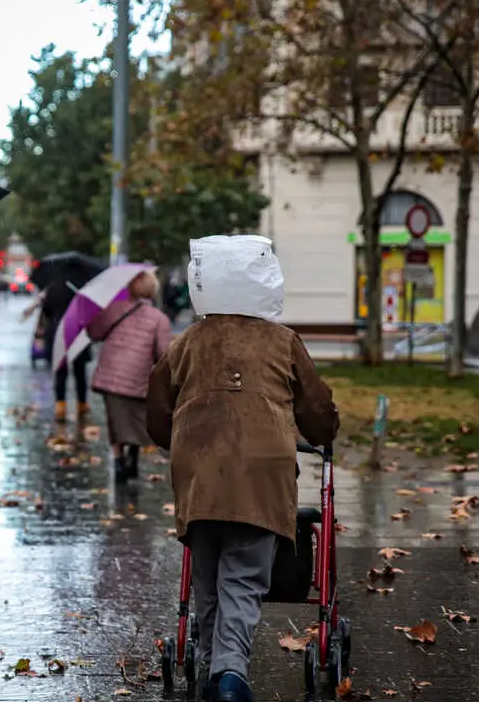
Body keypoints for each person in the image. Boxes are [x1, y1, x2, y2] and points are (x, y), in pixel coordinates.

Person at [146, 287, 339, 702]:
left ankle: (215, 671)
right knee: (243, 579)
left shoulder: (188, 341)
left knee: (209, 580)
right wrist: (325, 432)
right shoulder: (282, 340)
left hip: (199, 472)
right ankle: (230, 672)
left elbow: (157, 406)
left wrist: (175, 438)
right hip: (260, 475)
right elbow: (318, 414)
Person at [86, 270, 172, 480]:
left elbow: (94, 333)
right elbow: (163, 353)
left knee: (115, 420)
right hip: (139, 377)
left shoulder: (113, 310)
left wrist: (95, 315)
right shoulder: (159, 319)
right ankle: (133, 458)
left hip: (111, 373)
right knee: (135, 420)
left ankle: (118, 461)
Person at [39, 280, 90, 422]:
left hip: (57, 331)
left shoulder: (52, 288)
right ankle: (82, 404)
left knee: (60, 371)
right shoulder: (80, 288)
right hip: (77, 331)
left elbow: (46, 312)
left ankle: (60, 406)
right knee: (80, 371)